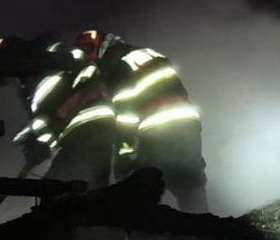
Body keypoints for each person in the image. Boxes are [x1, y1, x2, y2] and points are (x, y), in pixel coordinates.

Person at [77, 30, 209, 212]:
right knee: (189, 183)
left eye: (89, 49)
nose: (89, 57)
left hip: (158, 128)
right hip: (188, 125)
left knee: (143, 185)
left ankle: (141, 227)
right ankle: (203, 226)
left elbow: (126, 112)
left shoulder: (116, 62)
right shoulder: (144, 53)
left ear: (102, 46)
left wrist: (124, 153)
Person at [8, 37, 116, 190]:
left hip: (89, 125)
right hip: (76, 135)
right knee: (69, 187)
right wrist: (37, 142)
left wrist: (42, 139)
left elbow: (86, 77)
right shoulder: (28, 86)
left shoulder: (54, 53)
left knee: (60, 187)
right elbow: (45, 120)